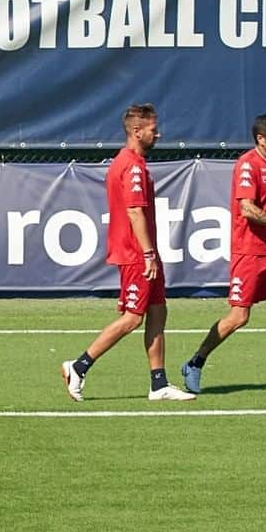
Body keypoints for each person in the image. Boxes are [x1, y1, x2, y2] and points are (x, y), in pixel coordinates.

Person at [61, 103, 194, 403]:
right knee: (133, 318)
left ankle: (158, 384)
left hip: (145, 253)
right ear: (136, 131)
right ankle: (78, 366)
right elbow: (134, 212)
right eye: (152, 129)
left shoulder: (131, 163)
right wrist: (148, 254)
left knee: (158, 311)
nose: (158, 134)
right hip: (136, 254)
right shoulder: (132, 166)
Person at [180, 114, 266, 395]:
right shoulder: (248, 164)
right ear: (261, 139)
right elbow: (247, 208)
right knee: (238, 317)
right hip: (249, 252)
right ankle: (195, 362)